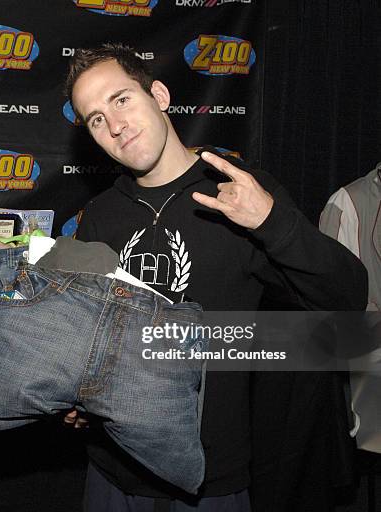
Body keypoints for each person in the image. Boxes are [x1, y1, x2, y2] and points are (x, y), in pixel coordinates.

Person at [63, 43, 368, 511]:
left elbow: (346, 297)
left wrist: (270, 221)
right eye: (96, 119)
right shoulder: (100, 216)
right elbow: (89, 334)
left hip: (208, 482)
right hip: (112, 472)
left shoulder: (239, 190)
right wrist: (74, 393)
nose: (115, 125)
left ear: (159, 95)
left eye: (121, 99)